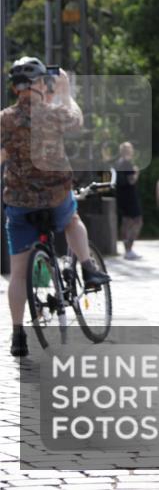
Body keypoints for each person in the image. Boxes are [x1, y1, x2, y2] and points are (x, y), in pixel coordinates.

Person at [1, 58, 111, 356]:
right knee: (72, 220)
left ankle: (18, 336)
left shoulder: (4, 119)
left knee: (18, 273)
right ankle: (88, 268)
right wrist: (65, 91)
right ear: (39, 83)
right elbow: (77, 119)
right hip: (55, 198)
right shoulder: (52, 114)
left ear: (15, 88)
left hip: (19, 204)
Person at [114, 141, 143, 260]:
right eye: (131, 149)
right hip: (130, 197)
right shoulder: (128, 163)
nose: (132, 151)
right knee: (138, 221)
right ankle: (129, 249)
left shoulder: (118, 163)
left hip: (121, 196)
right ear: (128, 151)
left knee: (126, 222)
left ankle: (127, 250)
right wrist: (137, 173)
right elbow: (131, 180)